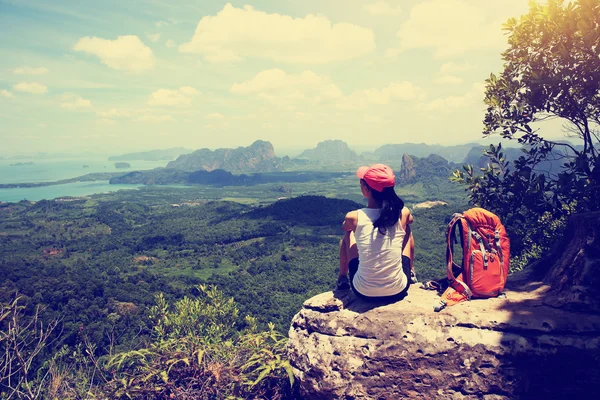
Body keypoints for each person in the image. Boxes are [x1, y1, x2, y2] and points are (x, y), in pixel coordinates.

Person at [337, 164, 415, 301]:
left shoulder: (354, 217)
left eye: (362, 183)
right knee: (406, 229)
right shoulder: (403, 213)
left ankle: (342, 277)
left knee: (348, 234)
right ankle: (411, 271)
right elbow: (410, 220)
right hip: (398, 290)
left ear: (366, 189)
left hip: (363, 292)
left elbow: (345, 227)